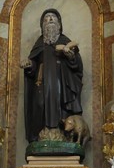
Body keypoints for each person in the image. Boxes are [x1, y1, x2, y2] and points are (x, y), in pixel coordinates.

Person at [21, 9, 83, 143]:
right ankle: (41, 134)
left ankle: (63, 135)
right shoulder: (39, 44)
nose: (49, 20)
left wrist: (70, 57)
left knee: (61, 105)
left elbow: (77, 65)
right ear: (42, 25)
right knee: (40, 104)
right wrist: (29, 64)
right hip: (41, 82)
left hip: (61, 81)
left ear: (59, 24)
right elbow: (33, 64)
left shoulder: (65, 41)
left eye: (53, 18)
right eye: (46, 18)